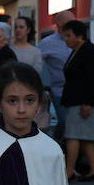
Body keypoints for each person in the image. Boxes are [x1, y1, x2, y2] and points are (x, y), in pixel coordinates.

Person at [58, 20, 94, 182]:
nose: (66, 39)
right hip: (76, 100)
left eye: (68, 35)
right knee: (84, 137)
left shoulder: (88, 51)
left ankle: (69, 171)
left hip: (81, 101)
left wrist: (89, 103)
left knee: (73, 136)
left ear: (79, 35)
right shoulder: (78, 50)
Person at [37, 10, 75, 142]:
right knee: (64, 122)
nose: (72, 25)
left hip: (77, 90)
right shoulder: (47, 43)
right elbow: (36, 64)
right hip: (59, 90)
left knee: (74, 126)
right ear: (58, 24)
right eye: (69, 22)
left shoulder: (78, 39)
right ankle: (57, 144)